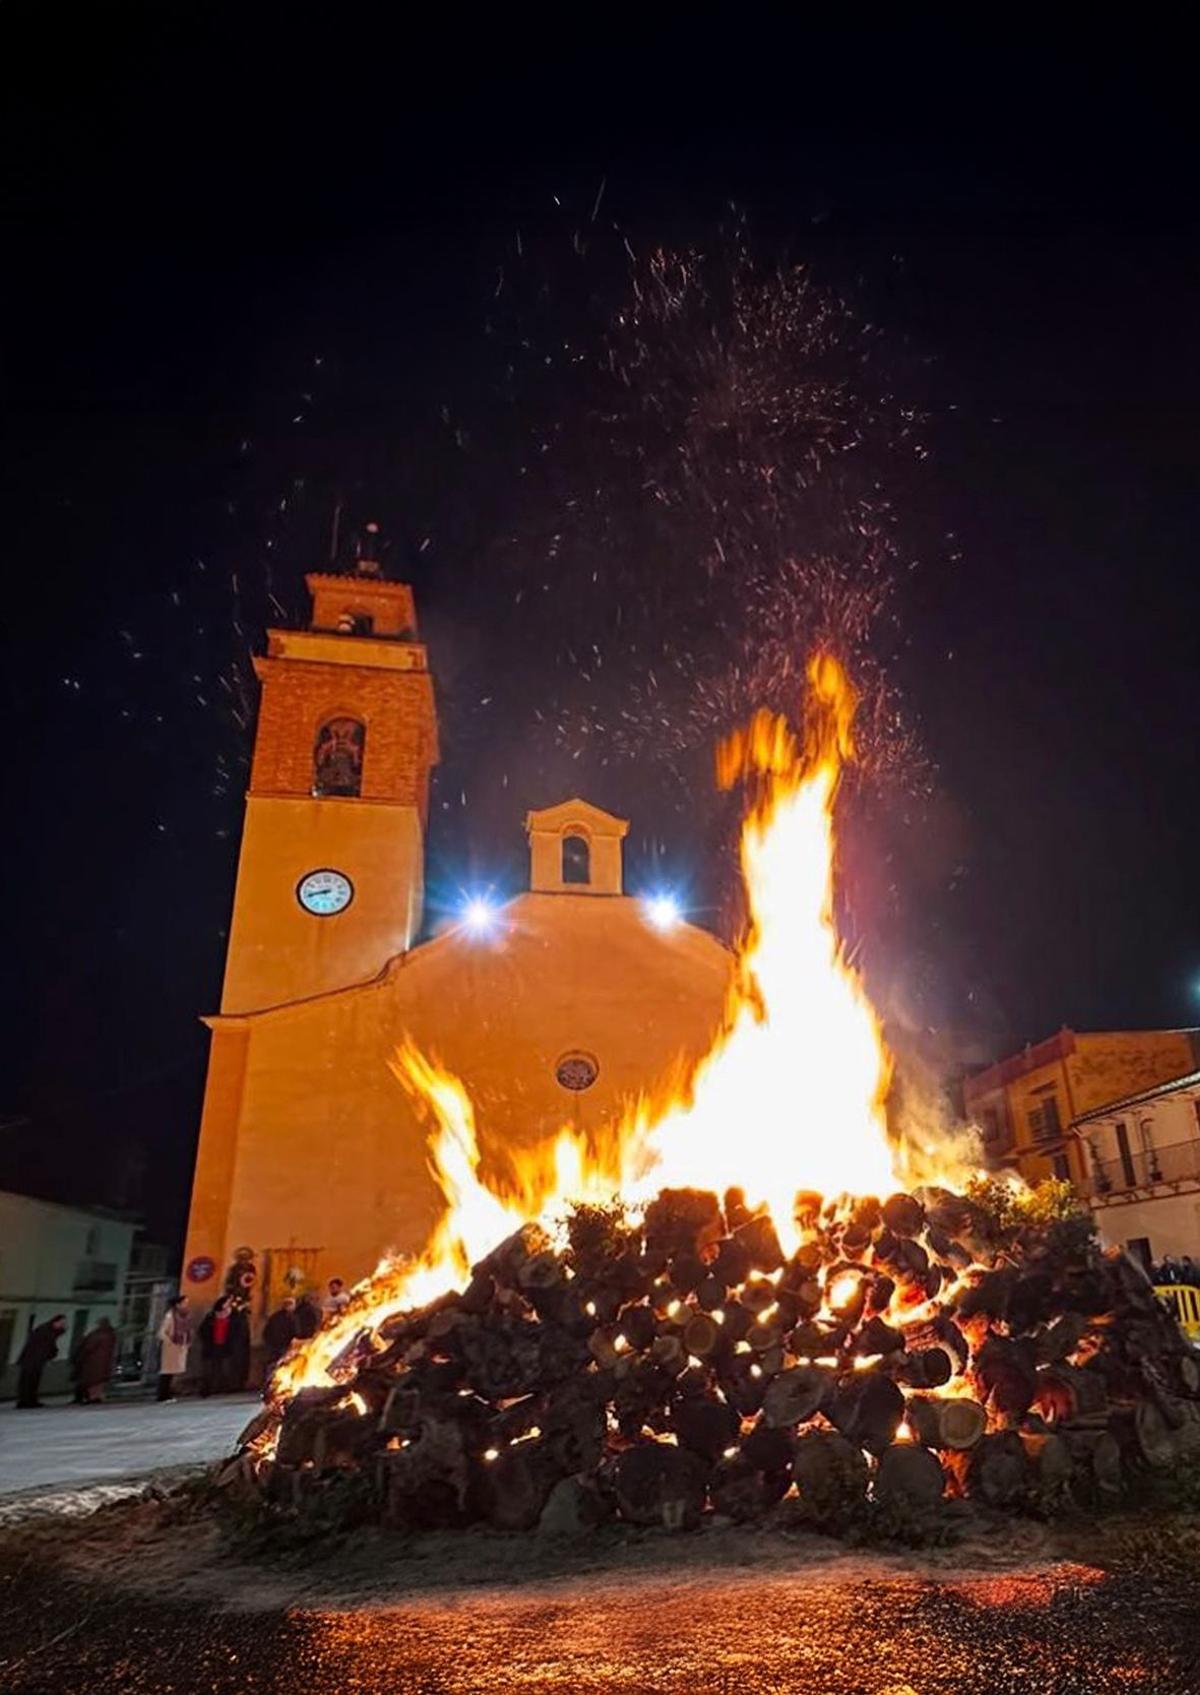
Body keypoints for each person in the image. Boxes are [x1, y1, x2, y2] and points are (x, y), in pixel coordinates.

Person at [16, 1314, 67, 1408]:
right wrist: (50, 1356)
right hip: (33, 1359)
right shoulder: (46, 1331)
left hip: (34, 1359)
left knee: (32, 1380)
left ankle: (29, 1400)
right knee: (29, 1381)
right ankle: (26, 1401)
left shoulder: (46, 1330)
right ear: (55, 1322)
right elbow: (45, 1346)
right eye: (62, 1323)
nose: (63, 1325)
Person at [72, 1316, 117, 1404]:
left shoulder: (97, 1335)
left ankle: (92, 1397)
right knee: (99, 1381)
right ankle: (96, 1396)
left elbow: (88, 1348)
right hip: (105, 1362)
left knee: (92, 1381)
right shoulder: (111, 1334)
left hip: (93, 1362)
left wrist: (80, 1357)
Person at [157, 1295, 192, 1401]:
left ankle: (168, 1394)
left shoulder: (184, 1316)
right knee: (166, 1372)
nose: (186, 1305)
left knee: (172, 1372)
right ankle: (163, 1395)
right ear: (178, 1305)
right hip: (170, 1348)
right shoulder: (170, 1316)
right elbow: (161, 1332)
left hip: (179, 1347)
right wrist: (169, 1342)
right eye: (184, 1303)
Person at [198, 1295, 232, 1397]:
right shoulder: (211, 1316)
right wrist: (207, 1340)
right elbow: (202, 1330)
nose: (228, 1305)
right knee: (209, 1369)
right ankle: (207, 1389)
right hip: (212, 1346)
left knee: (225, 1368)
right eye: (226, 1302)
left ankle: (223, 1388)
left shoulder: (233, 1315)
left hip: (225, 1346)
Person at [263, 1297, 298, 1375]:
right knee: (282, 1366)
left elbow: (266, 1332)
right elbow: (296, 1333)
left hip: (273, 1346)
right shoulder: (292, 1318)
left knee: (272, 1365)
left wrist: (269, 1343)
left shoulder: (274, 1316)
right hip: (284, 1346)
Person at [225, 1297, 251, 1392]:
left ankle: (240, 1384)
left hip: (243, 1345)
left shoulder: (243, 1316)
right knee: (235, 1365)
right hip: (235, 1345)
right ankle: (233, 1385)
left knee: (242, 1365)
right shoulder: (234, 1317)